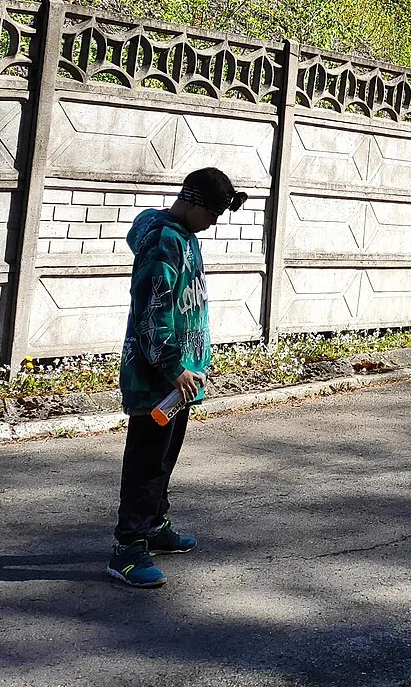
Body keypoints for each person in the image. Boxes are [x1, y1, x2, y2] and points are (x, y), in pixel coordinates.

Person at [108, 165, 246, 589]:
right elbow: (154, 310)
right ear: (193, 202)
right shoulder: (163, 240)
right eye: (215, 213)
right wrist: (174, 366)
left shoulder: (185, 237)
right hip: (157, 378)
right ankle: (128, 547)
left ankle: (154, 524)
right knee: (146, 462)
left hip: (182, 378)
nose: (215, 223)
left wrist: (196, 364)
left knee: (165, 457)